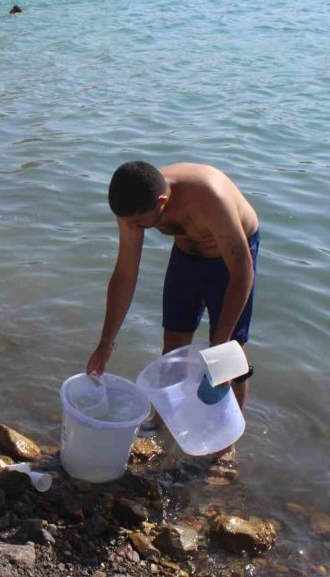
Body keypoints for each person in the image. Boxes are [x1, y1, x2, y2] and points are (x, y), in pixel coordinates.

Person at [86, 162, 260, 413]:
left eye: (138, 223)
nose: (131, 227)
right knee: (173, 345)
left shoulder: (210, 197)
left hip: (231, 262)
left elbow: (242, 272)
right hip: (186, 255)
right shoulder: (132, 208)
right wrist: (105, 343)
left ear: (162, 201)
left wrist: (220, 342)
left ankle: (227, 441)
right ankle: (164, 420)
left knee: (228, 351)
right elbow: (125, 273)